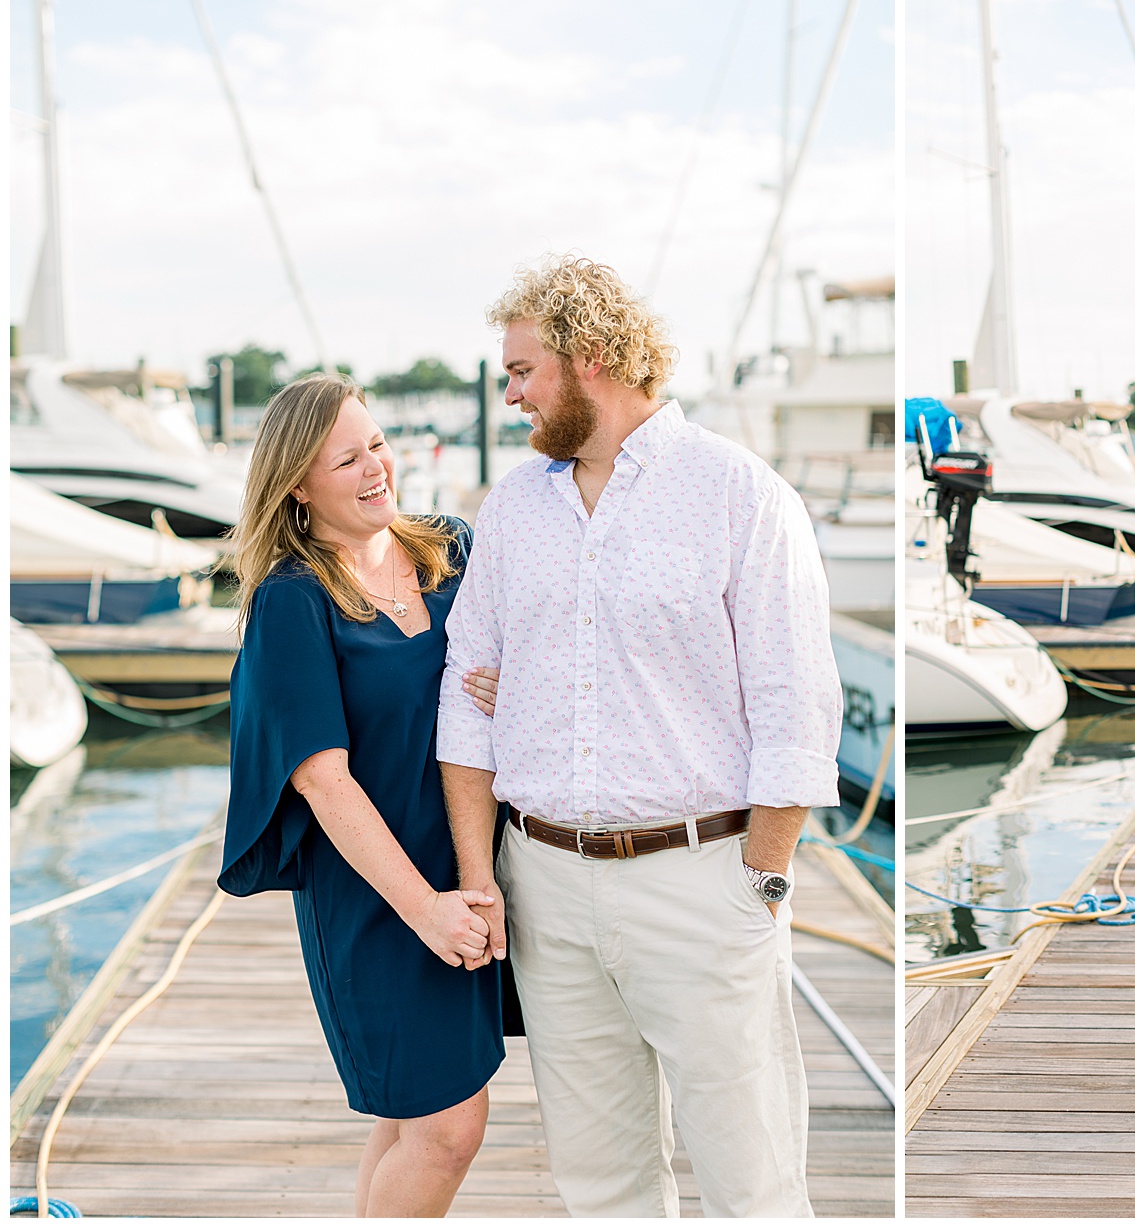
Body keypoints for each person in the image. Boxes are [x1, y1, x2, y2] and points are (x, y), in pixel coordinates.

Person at [436, 255, 842, 1217]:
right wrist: (480, 875)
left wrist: (763, 880)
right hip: (543, 884)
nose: (510, 394)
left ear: (595, 358)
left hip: (703, 879)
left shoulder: (741, 496)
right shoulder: (513, 507)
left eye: (523, 370)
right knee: (599, 1184)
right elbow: (465, 693)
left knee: (754, 1182)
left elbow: (796, 709)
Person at [219, 375, 505, 1215]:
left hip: (472, 864)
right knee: (449, 1127)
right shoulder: (292, 601)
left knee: (409, 1116)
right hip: (380, 898)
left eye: (377, 443)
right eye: (347, 459)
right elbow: (321, 778)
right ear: (298, 486)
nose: (377, 467)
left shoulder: (450, 547)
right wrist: (425, 909)